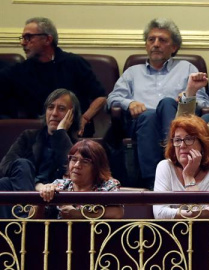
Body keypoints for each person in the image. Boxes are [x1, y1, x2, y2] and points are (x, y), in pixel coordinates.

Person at [107, 18, 209, 189]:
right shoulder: (133, 72)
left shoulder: (187, 68)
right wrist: (129, 102)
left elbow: (204, 102)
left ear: (174, 47)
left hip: (179, 125)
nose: (155, 44)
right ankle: (153, 182)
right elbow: (112, 98)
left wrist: (187, 97)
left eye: (162, 40)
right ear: (146, 45)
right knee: (148, 115)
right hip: (141, 124)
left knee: (168, 103)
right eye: (151, 39)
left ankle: (174, 160)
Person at [0, 17, 106, 137]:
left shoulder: (73, 63)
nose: (23, 42)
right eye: (23, 38)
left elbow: (100, 97)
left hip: (74, 134)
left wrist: (84, 118)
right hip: (37, 136)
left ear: (47, 39)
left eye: (28, 37)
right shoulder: (19, 71)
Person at [0, 88, 81, 218]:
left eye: (61, 109)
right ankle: (25, 217)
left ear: (72, 115)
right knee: (11, 175)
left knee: (5, 183)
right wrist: (37, 185)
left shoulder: (76, 146)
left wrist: (60, 133)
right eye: (50, 107)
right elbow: (5, 165)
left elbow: (71, 171)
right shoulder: (28, 137)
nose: (54, 113)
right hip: (29, 193)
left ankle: (23, 222)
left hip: (54, 199)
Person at [153, 114, 209, 219]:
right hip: (173, 232)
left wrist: (189, 177)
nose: (182, 146)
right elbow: (160, 214)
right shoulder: (165, 167)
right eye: (178, 140)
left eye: (189, 139)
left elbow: (206, 221)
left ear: (202, 144)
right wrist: (204, 213)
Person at [31, 139, 124, 219]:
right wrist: (42, 198)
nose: (77, 166)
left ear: (97, 167)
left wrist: (80, 215)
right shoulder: (59, 185)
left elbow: (117, 213)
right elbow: (31, 218)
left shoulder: (108, 185)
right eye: (74, 159)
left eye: (85, 161)